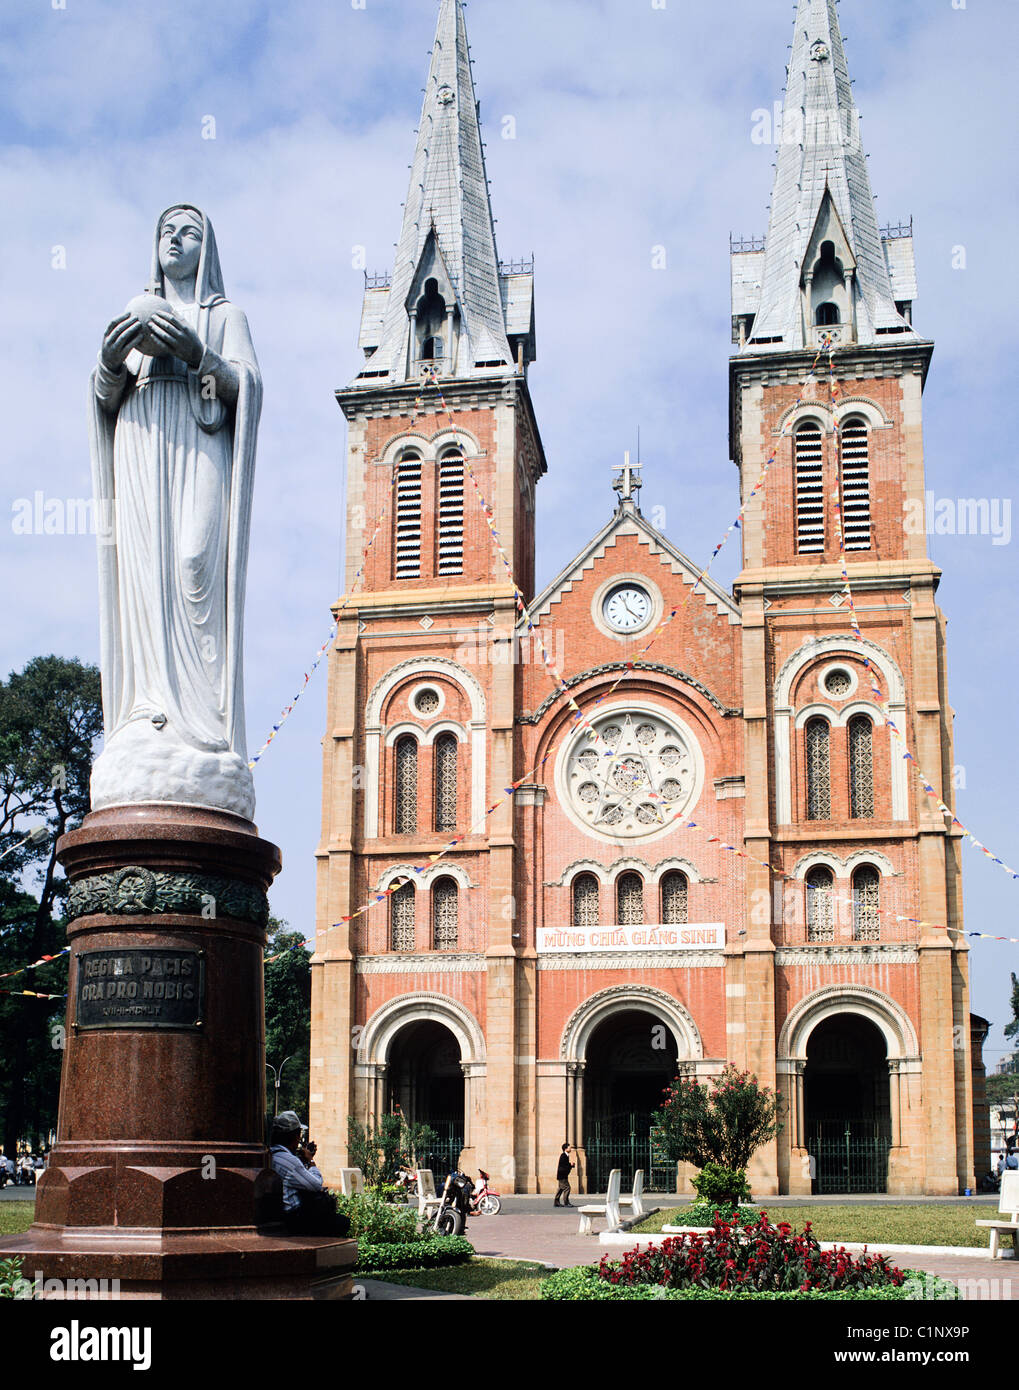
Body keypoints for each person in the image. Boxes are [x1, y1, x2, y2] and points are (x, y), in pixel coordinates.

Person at [88, 203, 262, 819]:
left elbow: (245, 389)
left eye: (189, 233)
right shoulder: (135, 310)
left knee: (193, 564)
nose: (175, 240)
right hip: (140, 444)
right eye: (166, 231)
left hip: (198, 439)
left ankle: (202, 723)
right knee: (144, 575)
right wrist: (110, 364)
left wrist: (199, 355)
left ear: (205, 250)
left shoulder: (225, 317)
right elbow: (105, 397)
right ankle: (146, 712)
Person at [269, 1112, 350, 1237]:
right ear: (295, 1136)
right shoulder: (290, 1161)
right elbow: (316, 1184)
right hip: (294, 1218)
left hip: (280, 1215)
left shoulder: (272, 1155)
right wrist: (310, 1161)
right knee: (343, 1222)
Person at [553, 1142, 574, 1208]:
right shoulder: (563, 1156)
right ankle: (566, 1202)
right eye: (569, 1147)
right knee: (567, 1188)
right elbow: (563, 1166)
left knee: (561, 1188)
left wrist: (570, 1165)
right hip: (562, 1175)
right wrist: (570, 1165)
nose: (570, 1149)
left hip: (562, 1175)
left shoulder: (565, 1155)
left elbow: (564, 1165)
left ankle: (556, 1202)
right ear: (565, 1149)